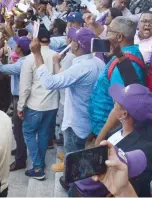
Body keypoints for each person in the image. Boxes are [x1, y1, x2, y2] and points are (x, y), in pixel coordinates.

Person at [32, 27, 104, 175]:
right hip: (87, 117)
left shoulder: (81, 67)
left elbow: (49, 83)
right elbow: (65, 78)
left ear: (76, 45)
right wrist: (56, 62)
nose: (70, 43)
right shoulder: (98, 62)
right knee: (75, 152)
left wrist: (37, 54)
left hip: (77, 122)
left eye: (72, 41)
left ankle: (71, 180)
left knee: (74, 161)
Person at [72, 84, 152, 197]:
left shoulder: (140, 151)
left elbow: (129, 187)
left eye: (116, 104)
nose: (114, 105)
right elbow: (99, 146)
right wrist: (109, 123)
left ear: (124, 114)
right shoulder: (120, 128)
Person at [88, 17, 145, 140]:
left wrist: (100, 139)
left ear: (119, 37)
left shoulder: (122, 66)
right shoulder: (130, 52)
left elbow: (119, 108)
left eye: (108, 31)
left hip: (109, 133)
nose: (105, 35)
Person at [0, 35, 31, 171]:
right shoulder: (26, 58)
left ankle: (20, 160)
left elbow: (1, 68)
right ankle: (20, 150)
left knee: (18, 129)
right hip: (18, 97)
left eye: (16, 45)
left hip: (19, 98)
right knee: (19, 129)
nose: (14, 46)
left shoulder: (22, 64)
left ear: (20, 50)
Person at [18, 28, 59, 180]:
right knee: (43, 134)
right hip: (52, 104)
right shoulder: (56, 55)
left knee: (28, 133)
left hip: (35, 104)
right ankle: (40, 162)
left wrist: (20, 106)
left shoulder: (30, 59)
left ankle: (37, 167)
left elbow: (25, 86)